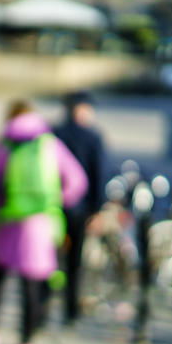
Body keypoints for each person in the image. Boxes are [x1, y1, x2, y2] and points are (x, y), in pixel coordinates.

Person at [0, 100, 87, 344]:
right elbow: (78, 181)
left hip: (5, 223)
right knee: (31, 287)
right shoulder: (49, 144)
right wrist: (54, 201)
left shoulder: (6, 144)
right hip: (40, 226)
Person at [52, 90, 105, 326]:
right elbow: (98, 175)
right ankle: (70, 313)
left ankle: (43, 307)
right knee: (75, 263)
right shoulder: (92, 137)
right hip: (80, 208)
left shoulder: (55, 133)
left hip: (53, 206)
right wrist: (97, 210)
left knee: (50, 259)